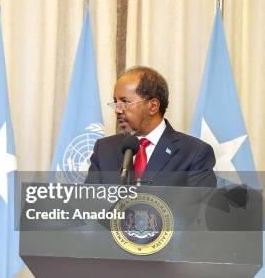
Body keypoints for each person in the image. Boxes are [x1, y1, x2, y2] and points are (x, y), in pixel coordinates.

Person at [85, 66, 216, 187]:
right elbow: (89, 205)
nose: (117, 110)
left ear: (153, 106)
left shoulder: (194, 153)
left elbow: (199, 209)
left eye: (124, 102)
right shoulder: (104, 150)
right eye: (115, 102)